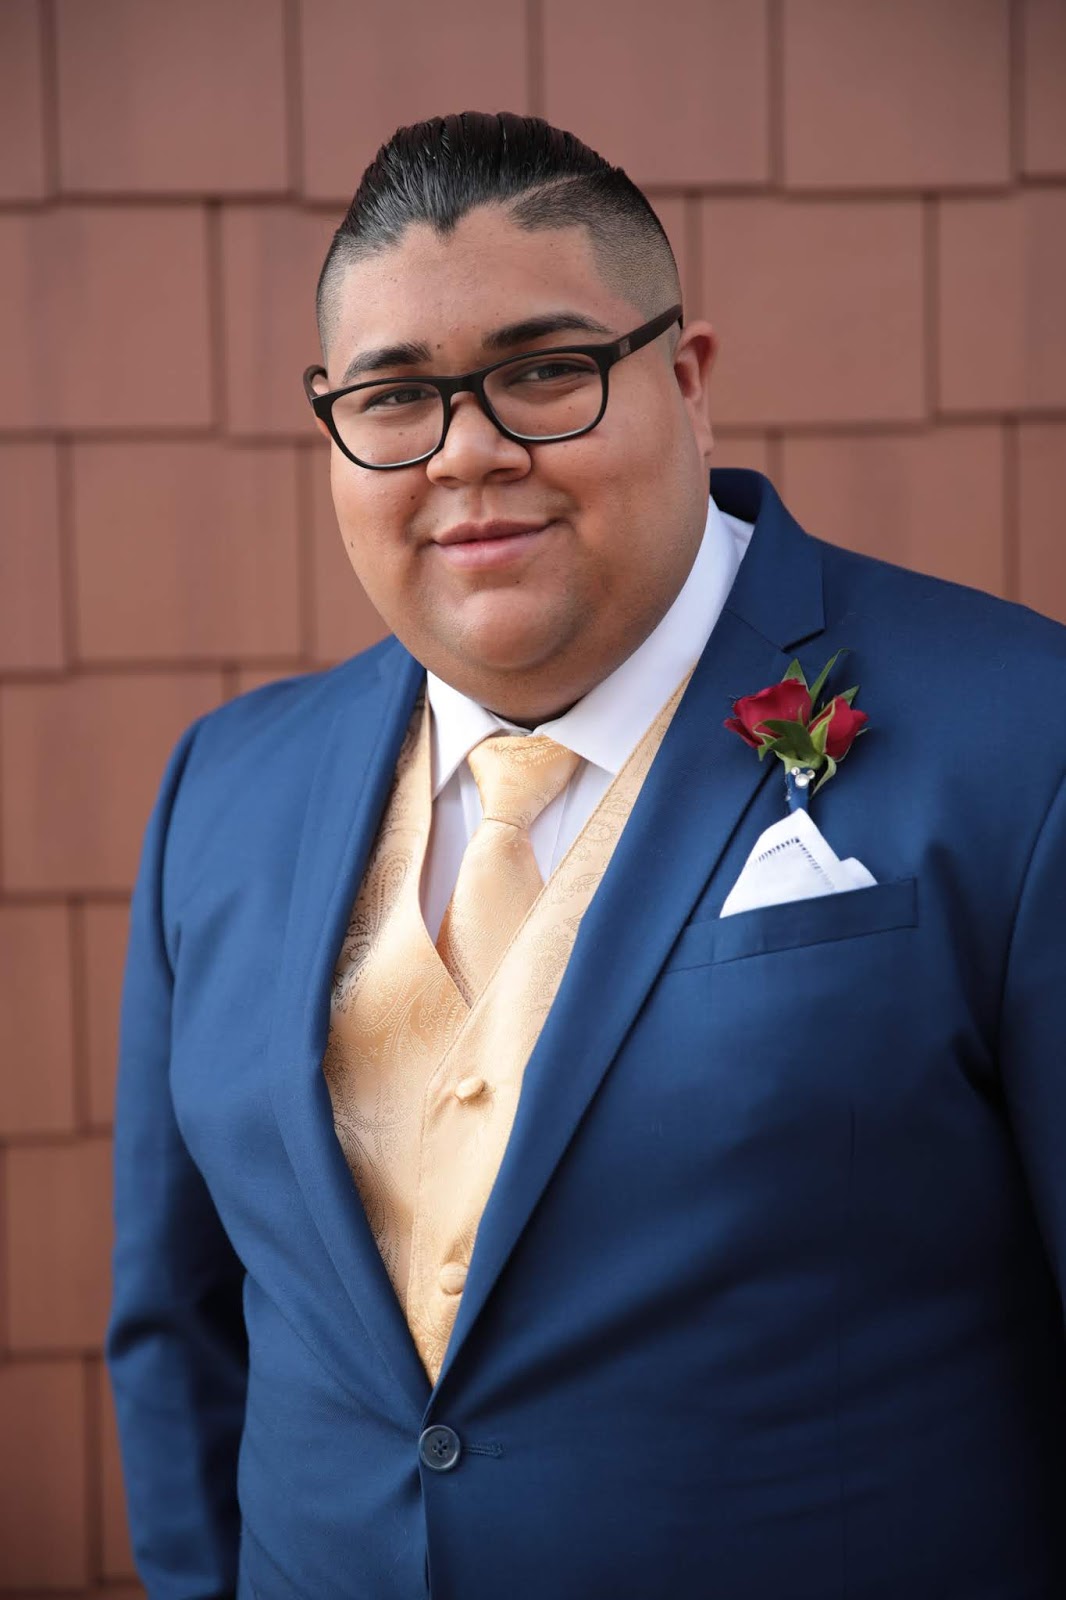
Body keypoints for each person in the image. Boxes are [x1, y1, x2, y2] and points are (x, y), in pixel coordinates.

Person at [107, 111, 1066, 1599]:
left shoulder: (1022, 734)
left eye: (545, 371)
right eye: (395, 398)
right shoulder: (224, 788)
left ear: (686, 383)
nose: (468, 452)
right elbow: (178, 1329)